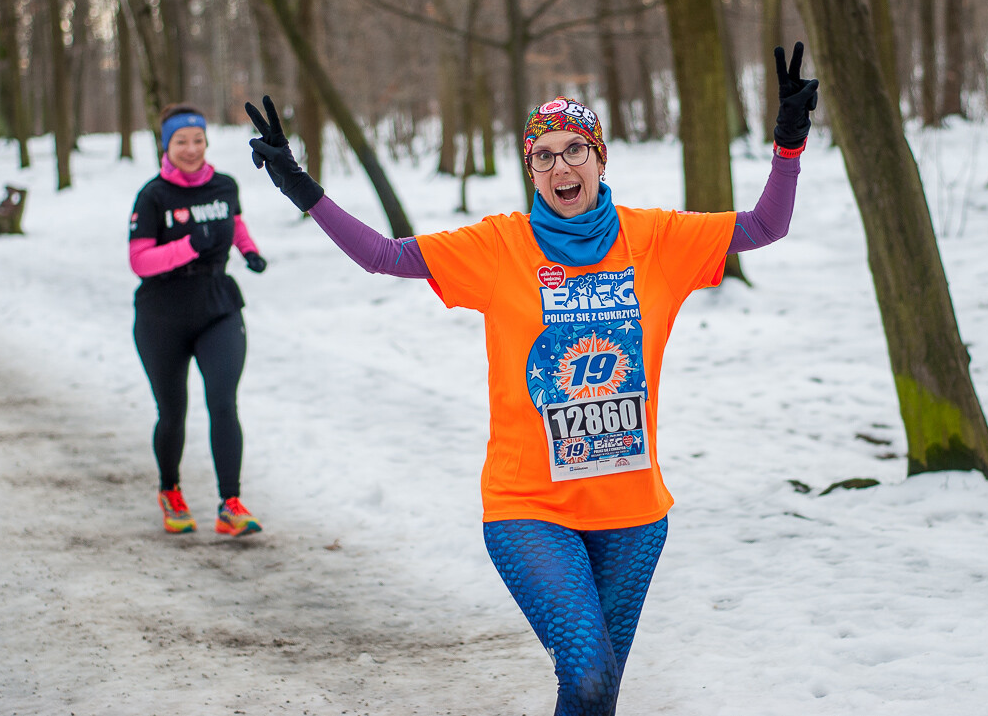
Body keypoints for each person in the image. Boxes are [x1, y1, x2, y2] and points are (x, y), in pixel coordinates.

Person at [245, 43, 818, 714]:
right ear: (531, 172)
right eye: (542, 156)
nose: (559, 166)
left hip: (633, 513)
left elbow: (765, 226)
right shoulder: (498, 246)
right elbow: (384, 255)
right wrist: (302, 188)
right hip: (529, 507)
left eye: (575, 149)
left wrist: (788, 146)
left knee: (596, 691)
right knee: (586, 674)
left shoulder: (658, 239)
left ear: (600, 159)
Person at [128, 103, 268, 537]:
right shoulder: (153, 196)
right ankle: (170, 490)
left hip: (217, 306)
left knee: (223, 403)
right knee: (172, 412)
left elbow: (236, 223)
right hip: (162, 314)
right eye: (180, 141)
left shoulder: (225, 186)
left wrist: (248, 251)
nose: (190, 149)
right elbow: (140, 260)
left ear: (206, 142)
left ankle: (230, 504)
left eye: (198, 140)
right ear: (166, 146)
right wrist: (190, 245)